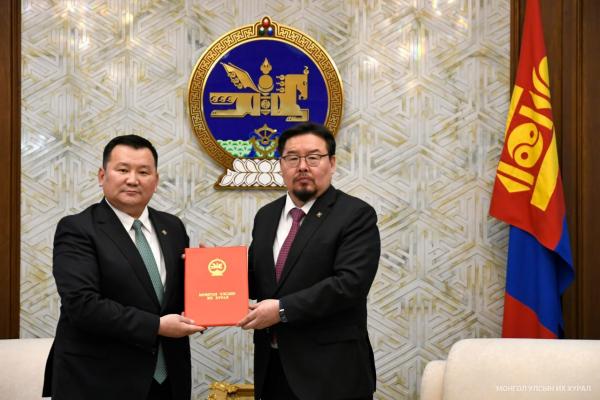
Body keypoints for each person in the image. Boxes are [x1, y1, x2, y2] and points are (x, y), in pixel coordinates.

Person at [42, 135, 205, 400]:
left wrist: (208, 278)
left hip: (168, 379)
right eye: (123, 170)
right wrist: (156, 326)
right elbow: (82, 305)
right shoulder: (78, 229)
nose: (133, 179)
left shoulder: (172, 227)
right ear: (102, 176)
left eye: (143, 172)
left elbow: (176, 296)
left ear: (155, 180)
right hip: (98, 379)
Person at [238, 122, 381, 400]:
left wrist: (281, 310)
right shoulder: (266, 216)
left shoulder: (355, 214)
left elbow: (349, 285)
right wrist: (217, 270)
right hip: (273, 369)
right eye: (292, 158)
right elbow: (258, 280)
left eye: (313, 157)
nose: (302, 166)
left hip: (332, 374)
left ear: (332, 163)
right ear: (281, 165)